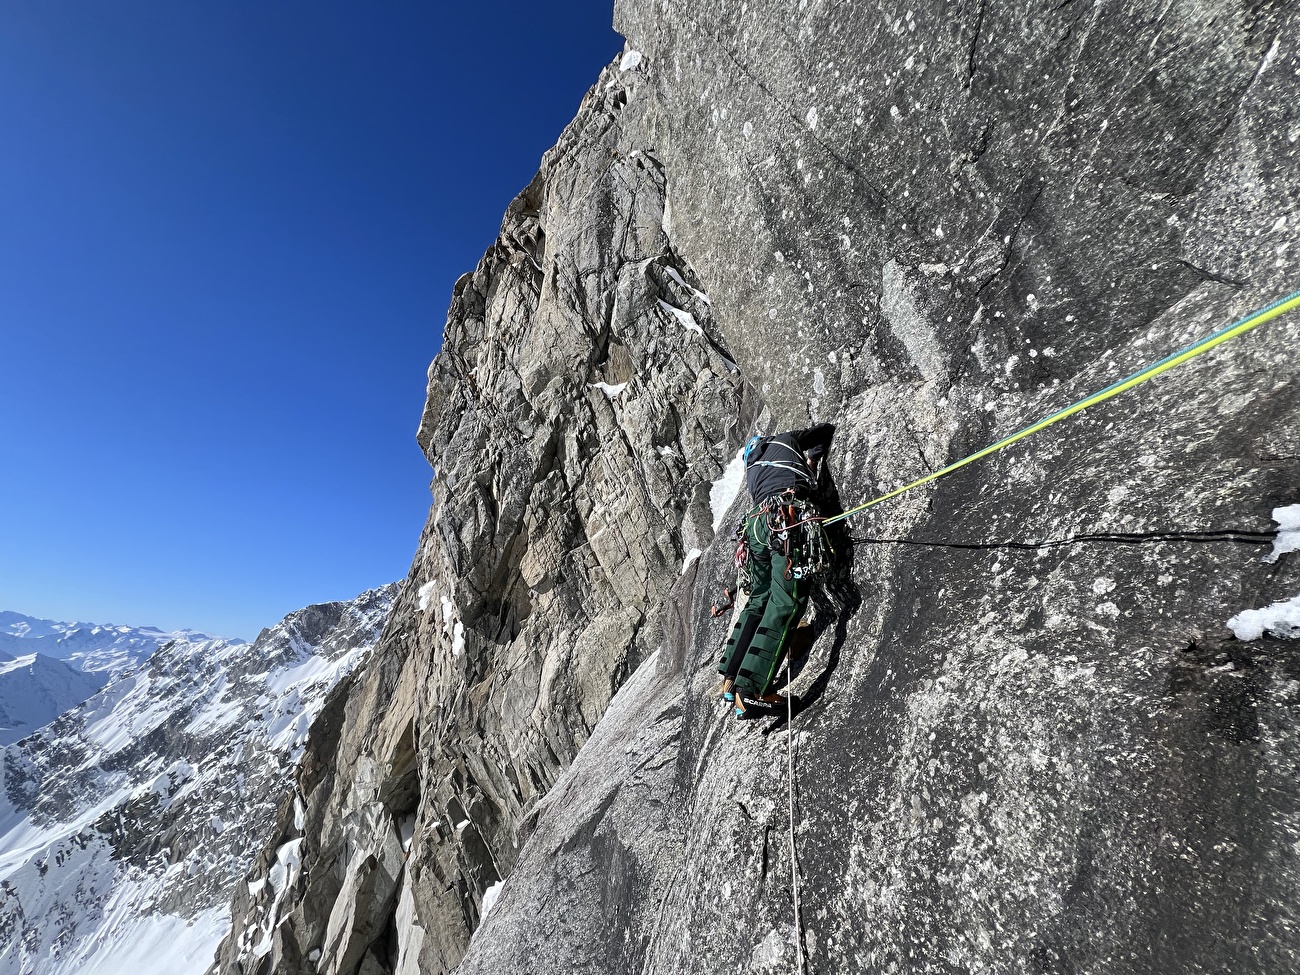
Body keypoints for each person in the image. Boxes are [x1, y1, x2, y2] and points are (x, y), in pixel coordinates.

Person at [717, 423, 835, 717]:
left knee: (759, 599)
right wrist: (814, 456)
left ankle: (731, 678)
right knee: (786, 601)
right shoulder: (785, 439)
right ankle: (753, 688)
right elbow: (824, 431)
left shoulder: (753, 469)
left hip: (756, 525)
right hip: (785, 519)